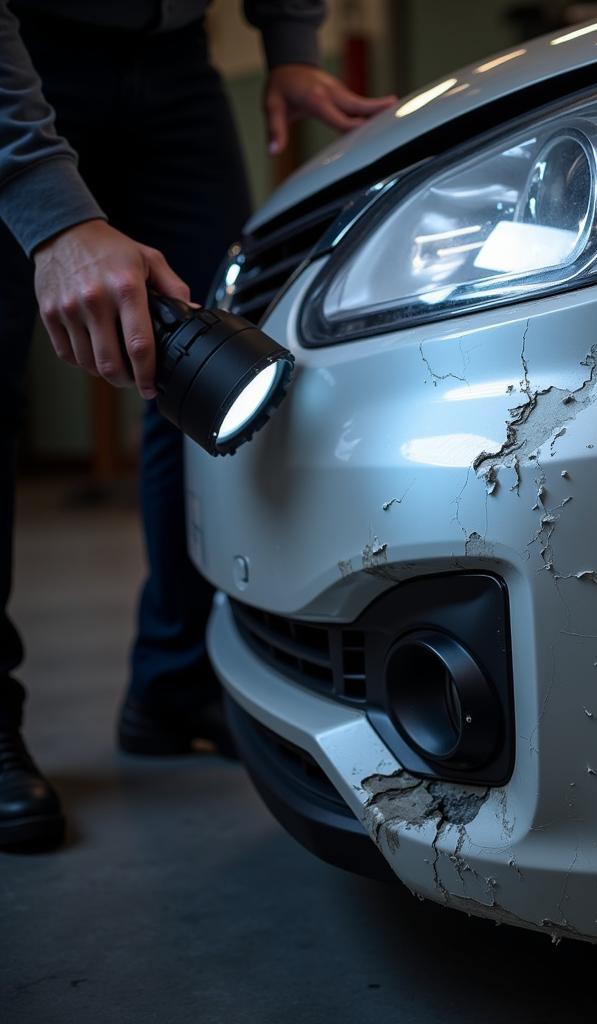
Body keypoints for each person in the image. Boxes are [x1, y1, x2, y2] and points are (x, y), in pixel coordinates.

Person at [0, 0, 393, 850]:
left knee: (203, 369)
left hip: (177, 61)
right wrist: (53, 216)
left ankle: (172, 687)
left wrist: (289, 46)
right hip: (22, 48)